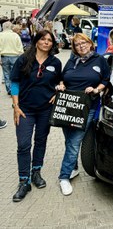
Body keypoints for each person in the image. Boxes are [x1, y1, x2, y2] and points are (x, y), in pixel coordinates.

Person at [10, 30, 62, 202]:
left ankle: (36, 172)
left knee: (40, 141)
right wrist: (15, 106)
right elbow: (15, 82)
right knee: (23, 144)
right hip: (25, 110)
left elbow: (60, 81)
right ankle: (23, 181)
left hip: (45, 110)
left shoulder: (55, 62)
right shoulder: (23, 59)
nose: (46, 42)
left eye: (49, 40)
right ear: (36, 41)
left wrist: (58, 91)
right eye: (43, 39)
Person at [56, 33, 110, 196]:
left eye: (83, 43)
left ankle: (64, 177)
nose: (80, 46)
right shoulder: (72, 60)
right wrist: (61, 85)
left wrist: (96, 89)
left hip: (87, 106)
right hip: (68, 105)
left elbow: (106, 80)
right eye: (77, 44)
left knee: (74, 141)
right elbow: (62, 78)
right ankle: (73, 168)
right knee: (69, 139)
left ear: (90, 43)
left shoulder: (99, 60)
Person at [0, 21, 24, 95]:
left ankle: (9, 89)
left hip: (4, 56)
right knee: (16, 74)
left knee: (6, 74)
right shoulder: (15, 35)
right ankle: (15, 89)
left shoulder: (0, 35)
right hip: (15, 56)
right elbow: (20, 47)